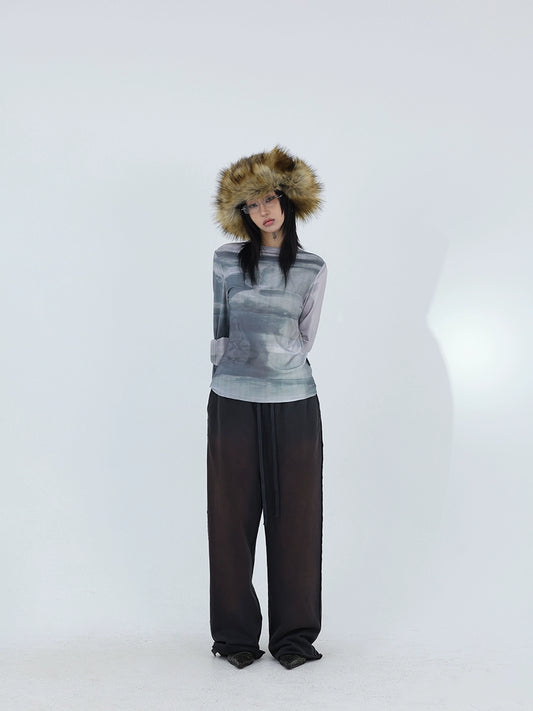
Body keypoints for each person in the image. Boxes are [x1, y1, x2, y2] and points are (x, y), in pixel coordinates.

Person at [207, 146, 327, 670]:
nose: (263, 211)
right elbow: (219, 329)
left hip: (294, 405)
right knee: (230, 523)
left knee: (296, 522)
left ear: (288, 201)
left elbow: (305, 336)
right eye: (252, 204)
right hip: (231, 403)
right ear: (242, 212)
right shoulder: (225, 260)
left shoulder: (312, 267)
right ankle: (235, 638)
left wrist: (276, 363)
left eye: (270, 199)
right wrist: (230, 374)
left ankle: (293, 638)